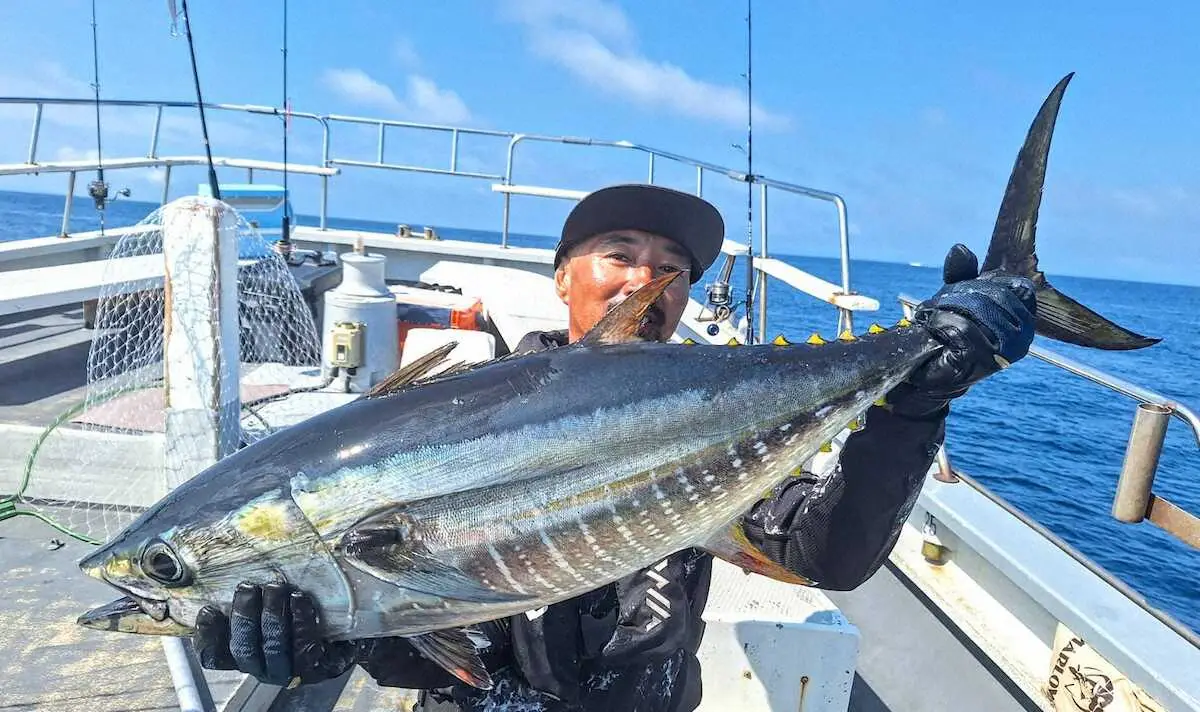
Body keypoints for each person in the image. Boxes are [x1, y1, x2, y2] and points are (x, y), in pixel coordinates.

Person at [195, 184, 1038, 710]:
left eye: (673, 268)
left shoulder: (711, 423)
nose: (647, 280)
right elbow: (410, 618)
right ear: (562, 276)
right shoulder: (449, 423)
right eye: (620, 255)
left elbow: (833, 553)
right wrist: (321, 642)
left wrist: (913, 404)